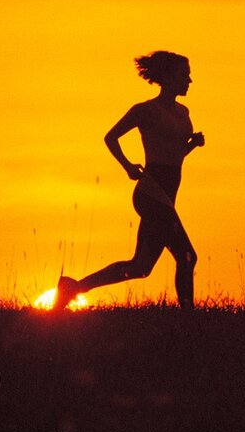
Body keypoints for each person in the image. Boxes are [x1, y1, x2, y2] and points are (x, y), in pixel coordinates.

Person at [53, 51, 204, 309]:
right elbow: (111, 137)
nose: (189, 80)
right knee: (187, 256)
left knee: (141, 267)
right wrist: (127, 166)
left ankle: (73, 287)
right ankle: (189, 317)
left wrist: (192, 146)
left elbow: (174, 156)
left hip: (168, 193)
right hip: (151, 191)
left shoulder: (184, 112)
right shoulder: (145, 110)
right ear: (167, 77)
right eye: (184, 75)